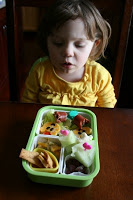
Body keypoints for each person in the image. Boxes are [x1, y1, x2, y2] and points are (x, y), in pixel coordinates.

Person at [21, 0, 117, 108]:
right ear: (46, 41)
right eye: (58, 43)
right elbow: (27, 106)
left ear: (95, 44)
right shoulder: (40, 70)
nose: (68, 52)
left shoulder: (99, 76)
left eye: (79, 45)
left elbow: (108, 111)